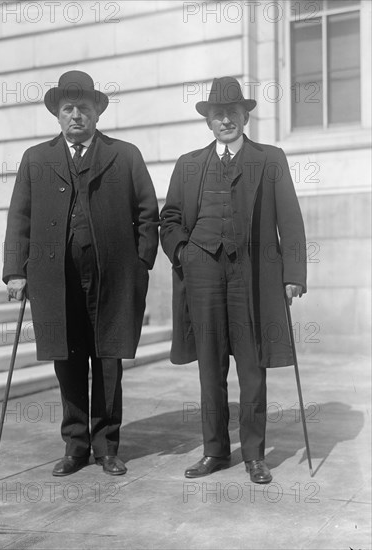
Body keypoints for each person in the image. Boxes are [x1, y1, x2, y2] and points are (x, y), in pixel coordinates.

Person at [3, 71, 159, 477]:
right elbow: (19, 217)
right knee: (67, 360)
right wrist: (15, 272)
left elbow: (147, 212)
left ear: (96, 113)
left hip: (112, 277)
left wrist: (140, 263)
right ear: (57, 114)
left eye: (84, 108)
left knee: (108, 359)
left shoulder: (124, 155)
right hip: (55, 279)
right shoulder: (36, 159)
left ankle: (107, 446)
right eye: (68, 109)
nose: (76, 115)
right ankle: (75, 446)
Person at [160, 76, 306, 483]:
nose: (225, 120)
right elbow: (168, 219)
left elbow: (290, 221)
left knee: (252, 367)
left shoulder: (270, 159)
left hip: (253, 275)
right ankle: (215, 451)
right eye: (217, 114)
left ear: (245, 117)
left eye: (232, 113)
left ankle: (255, 455)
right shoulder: (189, 164)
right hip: (202, 273)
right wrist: (185, 254)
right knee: (209, 366)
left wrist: (293, 274)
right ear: (208, 121)